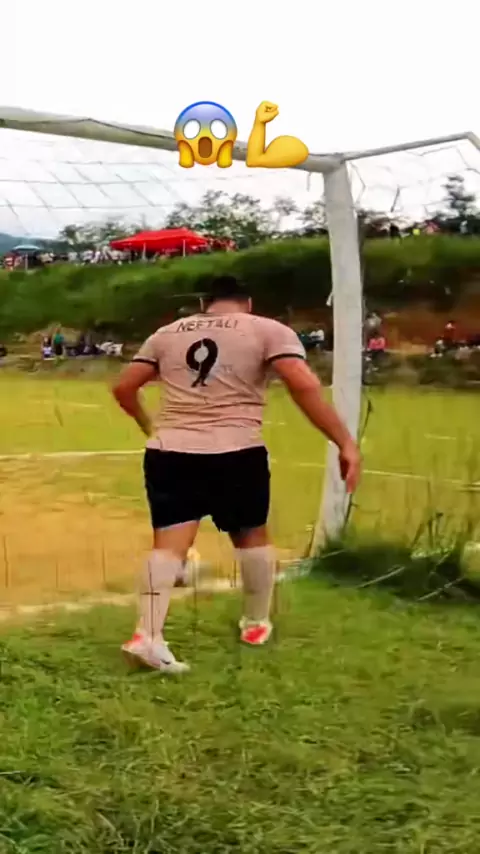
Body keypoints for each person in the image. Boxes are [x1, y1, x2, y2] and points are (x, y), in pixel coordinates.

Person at [112, 275, 361, 674]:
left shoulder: (167, 333)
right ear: (248, 302)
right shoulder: (267, 329)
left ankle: (148, 635)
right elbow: (302, 383)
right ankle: (255, 623)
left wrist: (150, 424)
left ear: (203, 303)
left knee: (168, 546)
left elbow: (124, 388)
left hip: (170, 450)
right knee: (251, 536)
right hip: (236, 449)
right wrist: (344, 441)